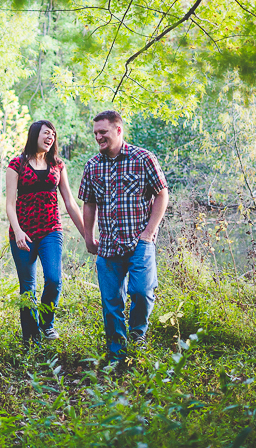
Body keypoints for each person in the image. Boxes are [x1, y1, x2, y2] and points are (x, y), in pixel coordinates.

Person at [77, 110, 169, 364]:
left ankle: (137, 334)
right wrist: (88, 237)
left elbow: (162, 194)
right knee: (111, 301)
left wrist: (149, 232)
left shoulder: (143, 158)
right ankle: (117, 354)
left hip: (139, 240)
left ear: (118, 130)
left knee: (141, 291)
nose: (98, 137)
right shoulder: (93, 165)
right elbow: (89, 203)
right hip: (108, 244)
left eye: (103, 132)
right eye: (95, 133)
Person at [5, 120, 85, 343]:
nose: (50, 137)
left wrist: (87, 235)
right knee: (28, 288)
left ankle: (47, 324)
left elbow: (70, 202)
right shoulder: (16, 164)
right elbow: (10, 204)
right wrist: (18, 231)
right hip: (23, 235)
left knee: (53, 279)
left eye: (53, 134)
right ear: (34, 135)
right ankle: (31, 339)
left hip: (51, 230)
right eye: (46, 133)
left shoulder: (57, 164)